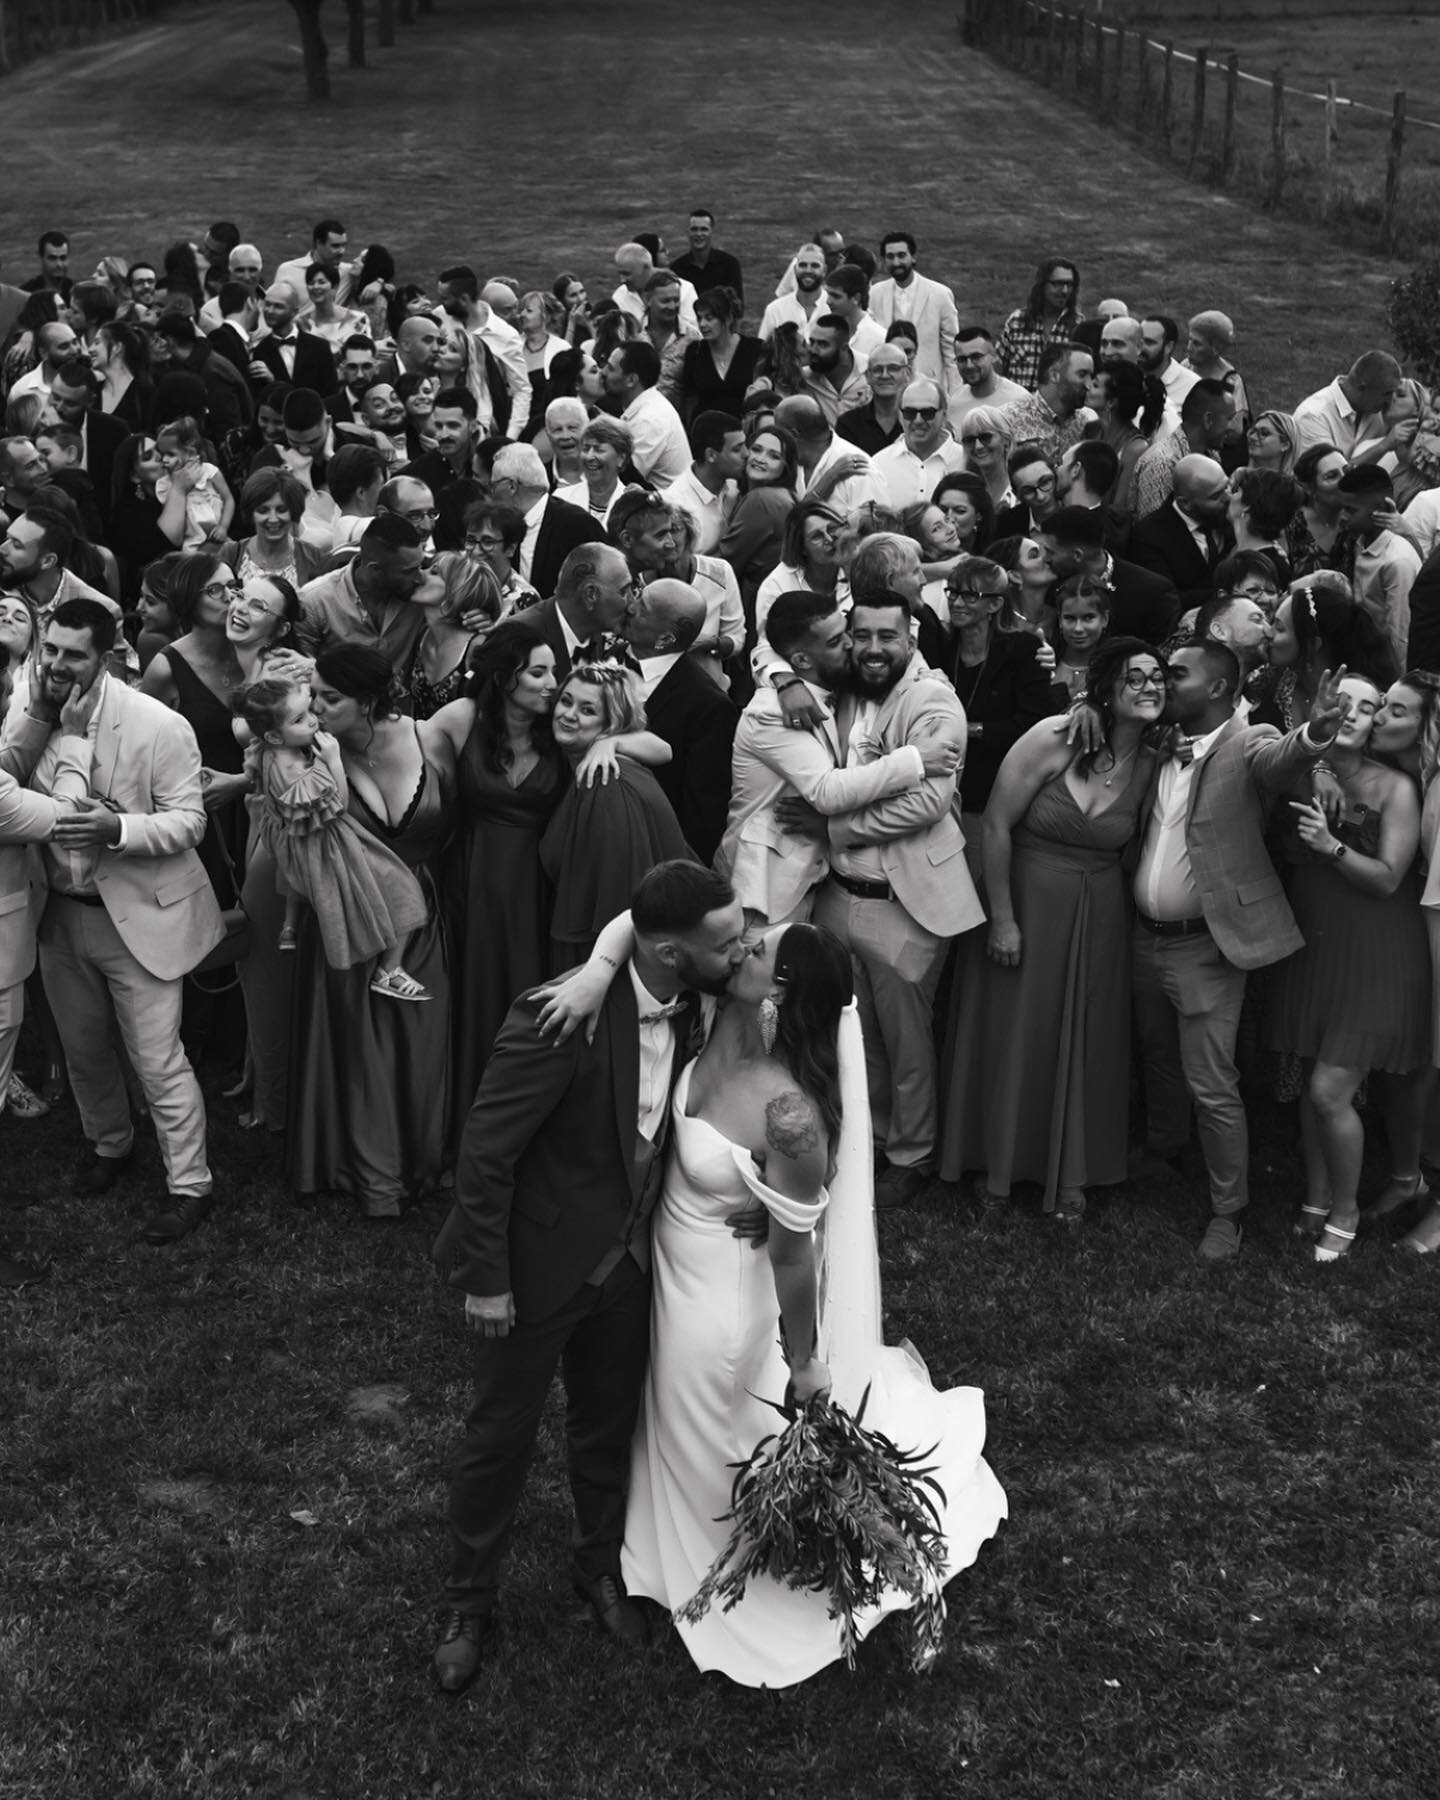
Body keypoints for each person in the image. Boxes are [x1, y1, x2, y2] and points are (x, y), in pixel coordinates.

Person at [429, 861, 748, 1690]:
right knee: (500, 1435)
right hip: (535, 1269)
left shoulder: (699, 999)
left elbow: (636, 920)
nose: (740, 948)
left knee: (607, 1429)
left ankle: (599, 1568)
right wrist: (487, 1279)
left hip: (630, 1266)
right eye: (726, 941)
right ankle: (469, 1601)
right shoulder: (556, 1016)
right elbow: (487, 1155)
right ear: (673, 952)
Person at [1128, 641, 1346, 1260]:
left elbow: (1280, 761)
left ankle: (1229, 1211)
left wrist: (1315, 737)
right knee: (1156, 1057)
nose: (1164, 683)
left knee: (1212, 1082)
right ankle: (1164, 1150)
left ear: (1220, 688)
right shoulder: (1159, 742)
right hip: (1142, 936)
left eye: (1178, 674)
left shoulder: (1247, 741)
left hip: (1206, 948)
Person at [25, 598, 224, 1243]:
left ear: (108, 656)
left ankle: (190, 1184)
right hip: (59, 913)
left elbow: (191, 820)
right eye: (49, 648)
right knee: (84, 1050)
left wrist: (120, 828)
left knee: (158, 1059)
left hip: (138, 916)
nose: (55, 664)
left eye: (72, 654)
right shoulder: (27, 711)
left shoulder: (158, 724)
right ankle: (109, 1144)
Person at [941, 638, 1163, 1214]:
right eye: (1135, 678)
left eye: (1158, 677)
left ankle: (1070, 1172)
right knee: (1013, 1034)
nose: (1150, 687)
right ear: (1108, 688)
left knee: (1086, 1039)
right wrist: (1004, 920)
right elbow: (994, 825)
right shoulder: (1054, 737)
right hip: (1024, 903)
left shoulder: (1157, 762)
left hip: (1099, 917)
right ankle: (995, 1163)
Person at [808, 592, 981, 1209]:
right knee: (858, 1035)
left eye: (888, 636)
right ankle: (872, 1140)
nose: (875, 648)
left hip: (904, 900)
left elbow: (927, 802)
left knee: (907, 1040)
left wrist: (830, 826)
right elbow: (773, 647)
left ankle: (913, 1153)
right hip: (836, 894)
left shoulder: (933, 700)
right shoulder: (840, 686)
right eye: (863, 635)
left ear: (910, 636)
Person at [1266, 674, 1430, 1261]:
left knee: (1330, 1090)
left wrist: (1331, 847)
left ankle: (1345, 1211)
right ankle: (1315, 1198)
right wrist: (1318, 768)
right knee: (1313, 1079)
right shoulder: (1297, 765)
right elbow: (1270, 771)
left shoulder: (1396, 788)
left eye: (1371, 706)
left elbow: (1389, 878)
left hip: (1378, 950)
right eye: (1346, 703)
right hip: (1314, 941)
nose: (1357, 714)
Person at [288, 644, 455, 1217]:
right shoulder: (306, 752)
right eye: (311, 694)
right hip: (347, 917)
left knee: (422, 1040)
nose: (314, 707)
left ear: (369, 701)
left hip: (420, 918)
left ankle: (422, 1161)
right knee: (355, 1049)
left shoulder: (432, 738)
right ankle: (359, 1169)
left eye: (329, 698)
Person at [236, 676, 431, 997]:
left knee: (295, 888)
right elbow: (337, 805)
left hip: (292, 845)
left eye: (309, 708)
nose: (313, 719)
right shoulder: (298, 772)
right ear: (273, 734)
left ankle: (290, 927)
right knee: (404, 889)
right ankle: (389, 970)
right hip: (326, 845)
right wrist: (334, 761)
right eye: (300, 719)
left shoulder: (266, 751)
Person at [540, 654, 690, 970]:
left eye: (587, 710)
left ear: (611, 725)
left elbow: (617, 903)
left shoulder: (605, 782)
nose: (568, 715)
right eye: (566, 701)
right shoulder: (580, 765)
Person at [941, 553, 1059, 820]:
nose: (957, 602)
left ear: (994, 604)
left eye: (971, 596)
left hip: (1000, 789)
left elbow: (1034, 722)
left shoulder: (1023, 650)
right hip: (943, 785)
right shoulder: (941, 646)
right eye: (952, 593)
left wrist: (973, 730)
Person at [1336, 464, 1420, 667]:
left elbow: (1401, 637)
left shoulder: (1397, 561)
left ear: (1381, 510)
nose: (1343, 517)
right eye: (1342, 508)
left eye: (1351, 510)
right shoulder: (1361, 541)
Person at [403, 551, 503, 719]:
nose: (421, 573)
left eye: (434, 572)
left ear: (456, 591)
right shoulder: (422, 635)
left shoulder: (477, 648)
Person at [718, 423, 799, 616]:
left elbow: (727, 563)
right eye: (756, 449)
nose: (761, 459)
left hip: (759, 605)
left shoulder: (762, 500)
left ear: (785, 468)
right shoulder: (782, 495)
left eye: (774, 456)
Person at [868, 231, 959, 390]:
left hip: (930, 388)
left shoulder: (940, 294)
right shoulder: (875, 294)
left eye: (901, 255)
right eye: (890, 257)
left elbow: (952, 353)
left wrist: (955, 393)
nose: (896, 262)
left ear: (913, 257)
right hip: (888, 386)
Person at [1084, 360, 1164, 516]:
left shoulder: (1135, 448)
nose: (1087, 387)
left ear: (1111, 402)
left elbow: (1119, 510)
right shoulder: (1090, 430)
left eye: (1095, 385)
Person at [675, 287, 763, 427]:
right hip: (706, 432)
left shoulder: (754, 349)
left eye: (710, 318)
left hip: (744, 429)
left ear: (728, 318)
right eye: (699, 318)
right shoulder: (695, 351)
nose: (703, 324)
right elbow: (690, 398)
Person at [1293, 352, 1403, 460]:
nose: (1390, 401)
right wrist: (1383, 446)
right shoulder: (1314, 417)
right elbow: (1330, 475)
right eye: (1386, 394)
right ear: (1362, 388)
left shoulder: (1376, 409)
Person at [154, 415, 234, 550]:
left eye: (171, 454)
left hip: (219, 537)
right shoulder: (165, 484)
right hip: (191, 545)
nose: (165, 460)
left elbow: (229, 500)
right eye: (161, 455)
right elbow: (172, 521)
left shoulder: (209, 472)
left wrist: (223, 527)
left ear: (190, 451)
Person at [1049, 575, 1111, 703]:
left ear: (1104, 618)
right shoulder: (1045, 664)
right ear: (1060, 620)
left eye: (1088, 618)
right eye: (1070, 618)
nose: (1078, 628)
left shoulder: (1116, 668)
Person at [1246, 410, 1298, 478]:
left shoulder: (1296, 487)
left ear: (1285, 444)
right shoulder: (1239, 478)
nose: (1253, 437)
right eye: (1252, 431)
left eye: (1264, 433)